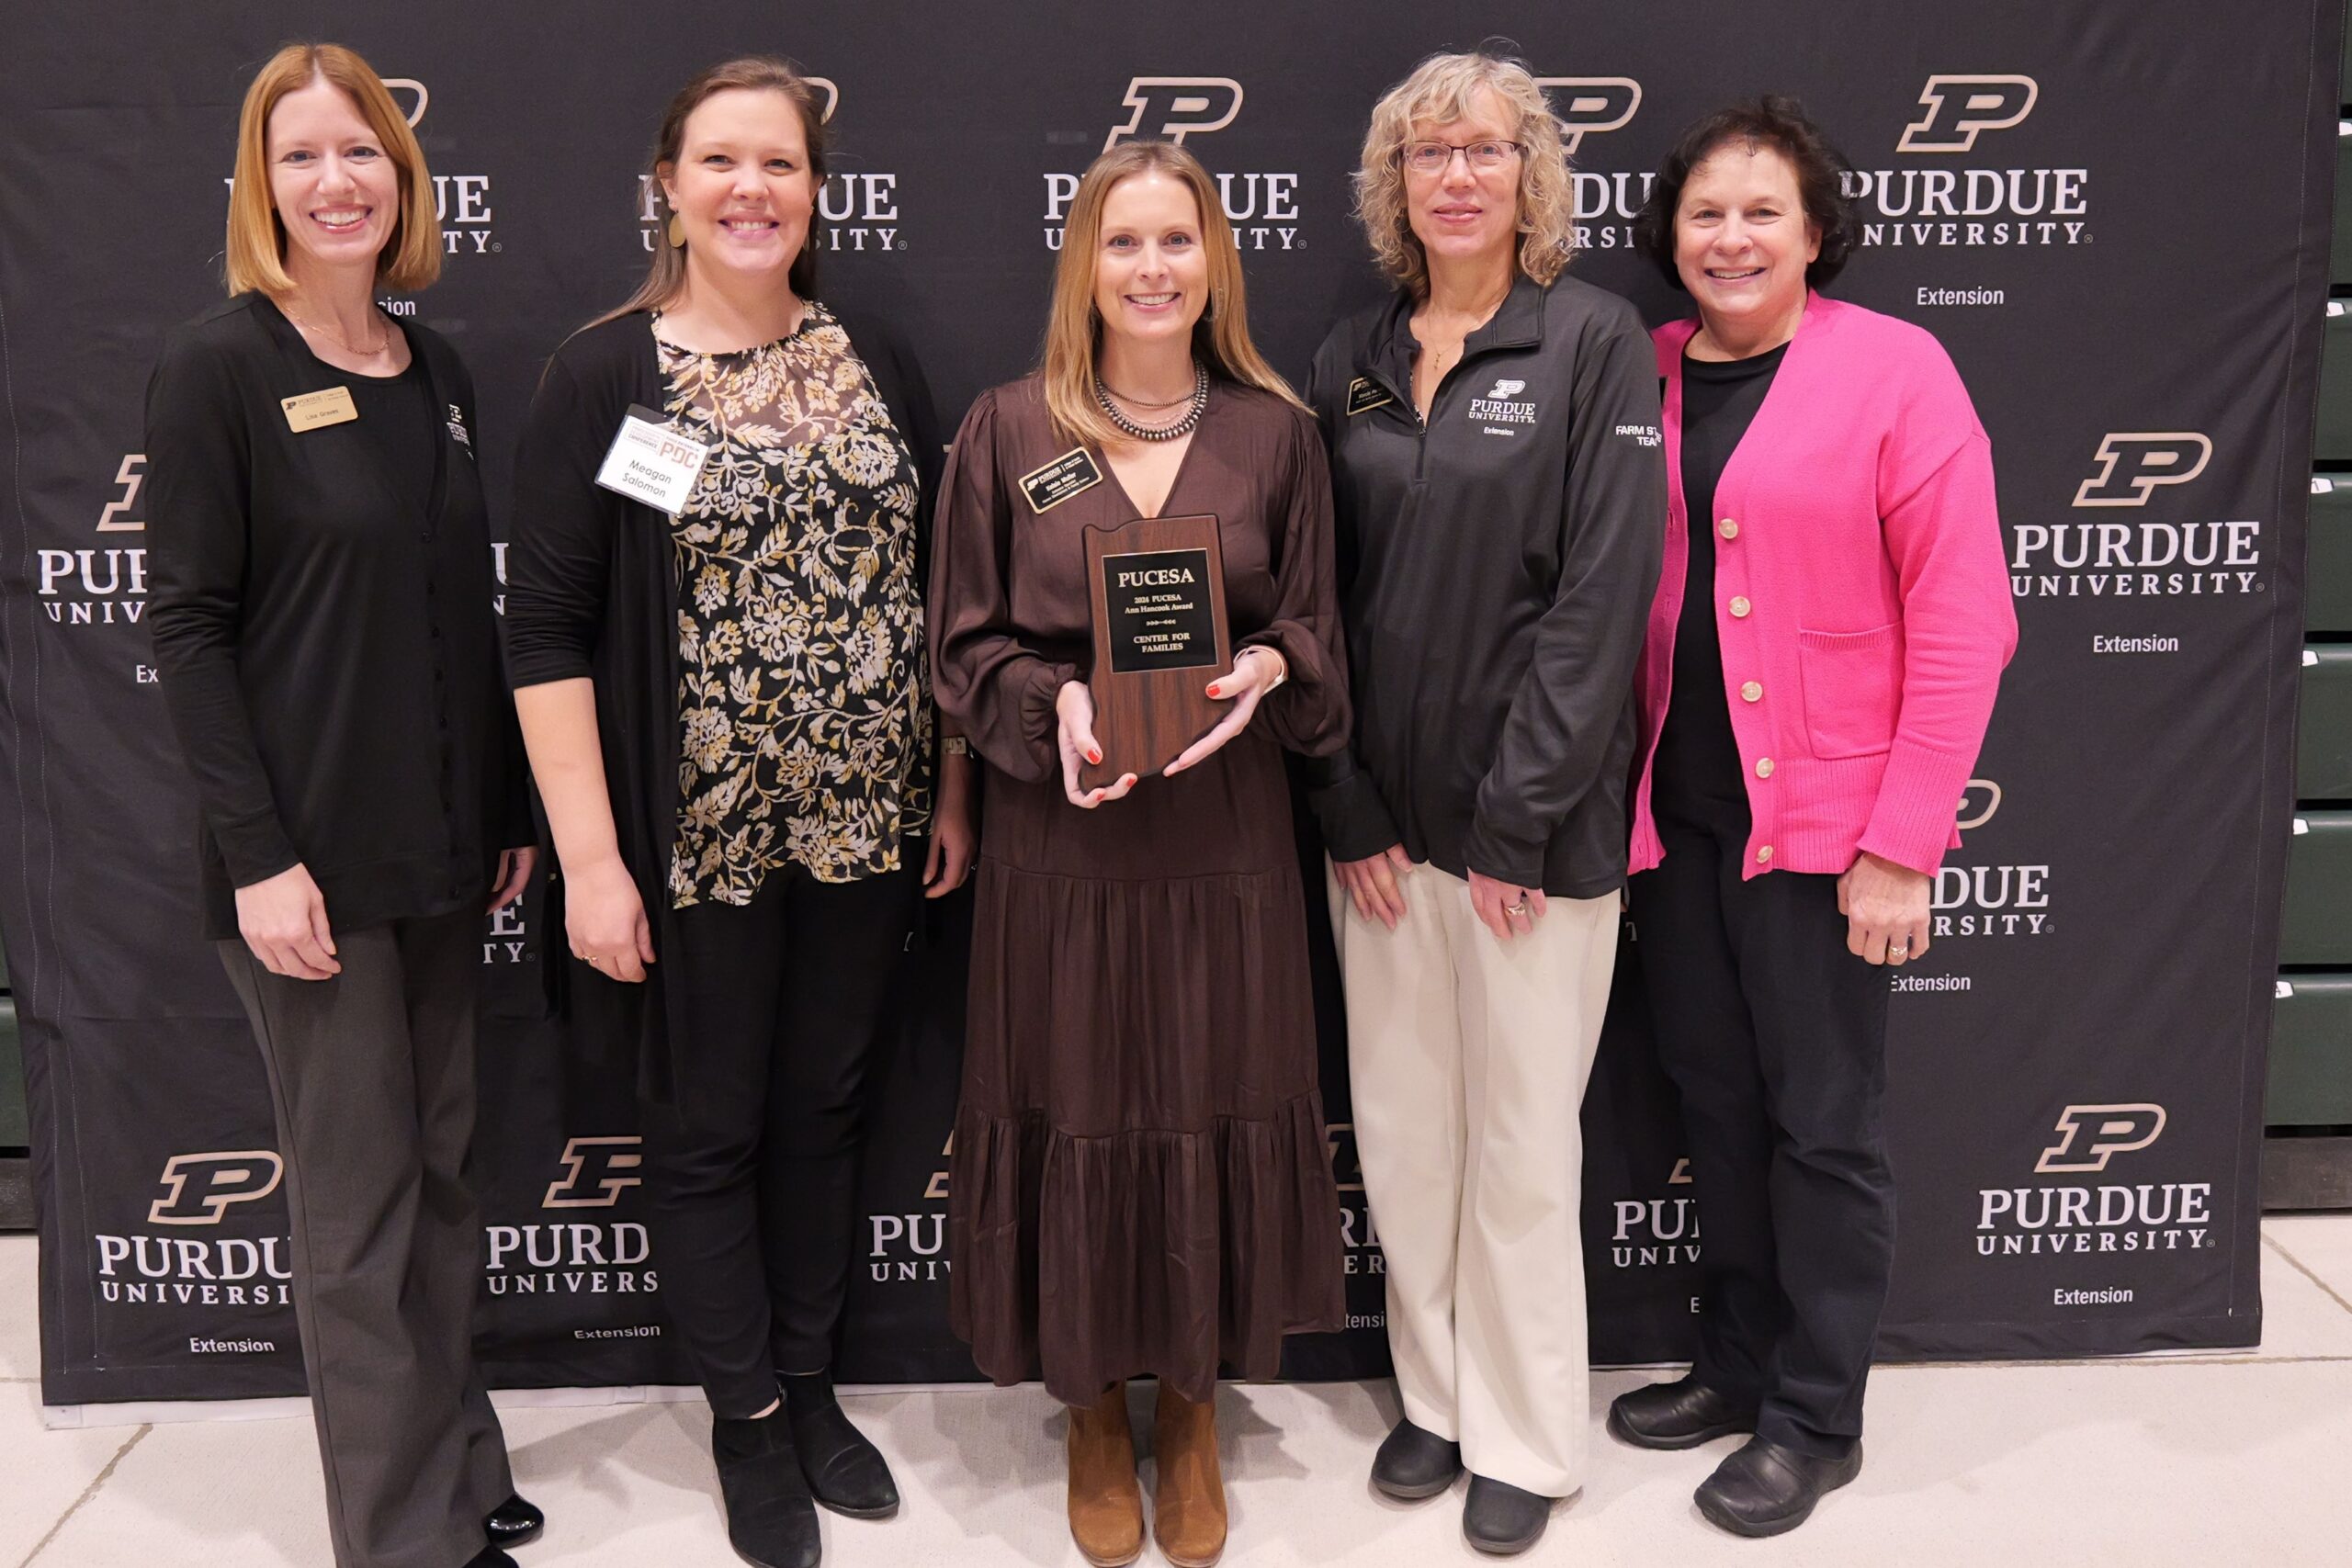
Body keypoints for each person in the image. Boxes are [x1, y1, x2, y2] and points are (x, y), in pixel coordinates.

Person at [502, 56, 973, 1568]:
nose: (750, 189)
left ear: (817, 191)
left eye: (778, 163)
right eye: (721, 162)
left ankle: (814, 1382)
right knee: (708, 1132)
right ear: (671, 186)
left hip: (864, 826)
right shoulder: (605, 372)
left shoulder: (879, 356)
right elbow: (548, 631)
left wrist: (948, 785)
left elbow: (939, 595)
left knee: (825, 1112)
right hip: (693, 837)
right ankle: (748, 1422)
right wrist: (588, 856)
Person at [144, 42, 539, 1568]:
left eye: (360, 151)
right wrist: (259, 863)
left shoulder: (429, 370)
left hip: (440, 849)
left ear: (402, 176)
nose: (336, 181)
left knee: (442, 1178)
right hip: (306, 873)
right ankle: (401, 1537)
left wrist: (500, 804)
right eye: (301, 155)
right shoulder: (219, 366)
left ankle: (456, 1455)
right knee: (361, 1209)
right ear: (262, 185)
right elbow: (185, 625)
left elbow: (458, 612)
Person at [930, 140, 1351, 1568]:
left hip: (1226, 839)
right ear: (1083, 267)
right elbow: (962, 643)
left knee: (1207, 1084)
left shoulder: (1274, 435)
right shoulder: (1010, 431)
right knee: (1082, 1094)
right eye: (1124, 245)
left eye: (1178, 241)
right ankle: (1094, 1410)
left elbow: (1313, 627)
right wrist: (1050, 703)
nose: (1153, 269)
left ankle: (1190, 1402)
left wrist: (1262, 674)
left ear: (1214, 261)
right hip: (1068, 835)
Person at [1605, 96, 2016, 1537]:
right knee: (1715, 1106)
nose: (1729, 237)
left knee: (1823, 1126)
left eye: (1761, 211)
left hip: (1832, 841)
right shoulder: (1644, 369)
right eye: (1706, 213)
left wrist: (1904, 843)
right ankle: (1732, 1362)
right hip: (1685, 828)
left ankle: (1817, 1413)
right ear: (1672, 236)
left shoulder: (1897, 371)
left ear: (1817, 231)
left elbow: (1967, 622)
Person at [1302, 50, 1666, 1555]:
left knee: (1521, 1146)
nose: (1457, 173)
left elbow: (1600, 605)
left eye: (1487, 149)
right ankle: (1437, 1403)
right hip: (1381, 835)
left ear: (1532, 178)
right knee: (1403, 1132)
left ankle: (1527, 1433)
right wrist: (1344, 800)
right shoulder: (1350, 354)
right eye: (1428, 151)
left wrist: (1518, 823)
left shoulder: (1593, 344)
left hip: (1534, 836)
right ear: (1394, 184)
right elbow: (1307, 602)